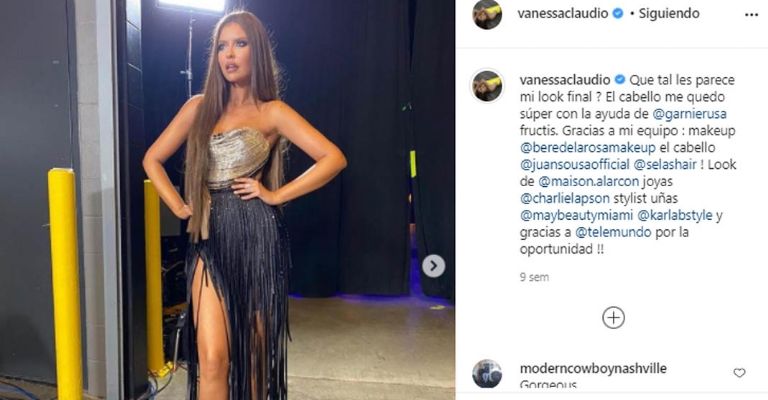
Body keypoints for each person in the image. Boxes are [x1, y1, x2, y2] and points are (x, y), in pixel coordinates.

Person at [142, 10, 347, 400]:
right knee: (212, 360)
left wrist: (276, 194)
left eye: (240, 44)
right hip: (208, 241)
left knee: (254, 361)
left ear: (258, 52)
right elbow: (152, 159)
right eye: (222, 46)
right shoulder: (198, 107)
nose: (229, 54)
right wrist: (180, 207)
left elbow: (333, 158)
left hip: (257, 241)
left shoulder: (273, 112)